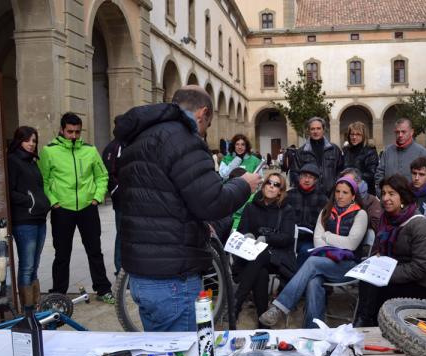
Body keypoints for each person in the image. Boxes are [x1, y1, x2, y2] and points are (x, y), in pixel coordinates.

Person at [114, 85, 261, 332]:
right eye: (208, 125)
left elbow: (164, 199)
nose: (204, 133)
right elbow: (211, 202)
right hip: (171, 277)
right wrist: (244, 184)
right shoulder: (183, 139)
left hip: (142, 274)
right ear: (203, 113)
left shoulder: (140, 137)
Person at [259, 176, 368, 328]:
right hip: (325, 263)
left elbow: (351, 244)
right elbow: (318, 242)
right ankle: (312, 330)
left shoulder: (360, 214)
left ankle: (279, 307)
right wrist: (333, 242)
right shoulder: (327, 210)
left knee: (312, 262)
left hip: (348, 266)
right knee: (313, 281)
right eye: (337, 191)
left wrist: (327, 236)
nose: (340, 196)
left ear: (353, 196)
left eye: (345, 192)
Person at [38, 113, 114, 303]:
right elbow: (44, 180)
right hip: (62, 209)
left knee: (95, 251)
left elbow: (102, 176)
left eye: (77, 132)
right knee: (62, 253)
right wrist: (53, 201)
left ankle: (103, 289)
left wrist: (97, 197)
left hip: (88, 208)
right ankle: (58, 294)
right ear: (62, 130)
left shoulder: (90, 150)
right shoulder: (49, 151)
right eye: (70, 131)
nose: (73, 135)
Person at [354, 174, 426, 327]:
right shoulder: (385, 219)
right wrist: (374, 263)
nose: (385, 198)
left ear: (403, 197)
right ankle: (365, 323)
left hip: (420, 281)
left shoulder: (419, 225)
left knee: (379, 290)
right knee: (366, 280)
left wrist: (385, 274)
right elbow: (377, 249)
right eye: (384, 193)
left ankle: (369, 325)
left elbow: (421, 267)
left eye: (391, 194)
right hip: (391, 270)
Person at [234, 173, 296, 326]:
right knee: (260, 272)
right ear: (263, 185)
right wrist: (247, 235)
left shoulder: (286, 210)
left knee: (261, 254)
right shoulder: (250, 207)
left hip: (276, 256)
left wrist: (267, 239)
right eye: (269, 182)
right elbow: (241, 231)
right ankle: (263, 320)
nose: (271, 186)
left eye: (276, 185)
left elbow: (287, 238)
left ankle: (236, 302)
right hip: (252, 257)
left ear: (280, 191)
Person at [7, 126, 51, 309]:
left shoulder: (32, 161)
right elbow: (10, 192)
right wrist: (30, 202)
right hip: (25, 222)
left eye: (34, 140)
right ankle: (27, 310)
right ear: (19, 141)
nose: (32, 144)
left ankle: (35, 305)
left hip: (39, 219)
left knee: (34, 265)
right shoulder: (13, 161)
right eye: (28, 140)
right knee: (27, 266)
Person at [286, 163, 328, 268]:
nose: (306, 180)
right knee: (283, 252)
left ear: (315, 180)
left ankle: (295, 280)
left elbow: (325, 223)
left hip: (310, 239)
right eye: (304, 176)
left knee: (306, 251)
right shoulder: (289, 195)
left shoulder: (322, 199)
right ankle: (287, 279)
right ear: (299, 178)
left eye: (311, 177)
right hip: (290, 237)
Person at [375, 118, 426, 192]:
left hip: (413, 201)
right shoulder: (388, 151)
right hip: (389, 200)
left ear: (411, 132)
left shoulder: (422, 153)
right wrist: (381, 193)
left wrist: (417, 198)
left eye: (403, 132)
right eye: (397, 132)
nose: (400, 135)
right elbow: (379, 173)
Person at [294, 117, 344, 195]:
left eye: (318, 128)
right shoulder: (301, 152)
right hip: (309, 196)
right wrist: (304, 188)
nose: (315, 131)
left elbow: (341, 170)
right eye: (312, 129)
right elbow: (295, 173)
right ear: (308, 131)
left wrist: (336, 186)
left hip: (331, 195)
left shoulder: (334, 149)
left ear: (323, 130)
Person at [101, 138, 124, 276]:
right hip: (122, 200)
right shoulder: (113, 147)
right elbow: (107, 173)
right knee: (122, 234)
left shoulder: (133, 142)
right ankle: (120, 270)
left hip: (136, 199)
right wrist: (116, 190)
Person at [339, 167, 382, 232]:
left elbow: (376, 225)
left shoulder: (372, 201)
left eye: (348, 183)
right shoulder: (339, 198)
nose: (344, 186)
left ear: (358, 183)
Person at [343, 122, 379, 196]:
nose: (354, 137)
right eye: (352, 134)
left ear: (364, 136)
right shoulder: (346, 150)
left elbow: (372, 173)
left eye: (358, 134)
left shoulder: (370, 151)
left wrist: (352, 178)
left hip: (365, 192)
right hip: (347, 190)